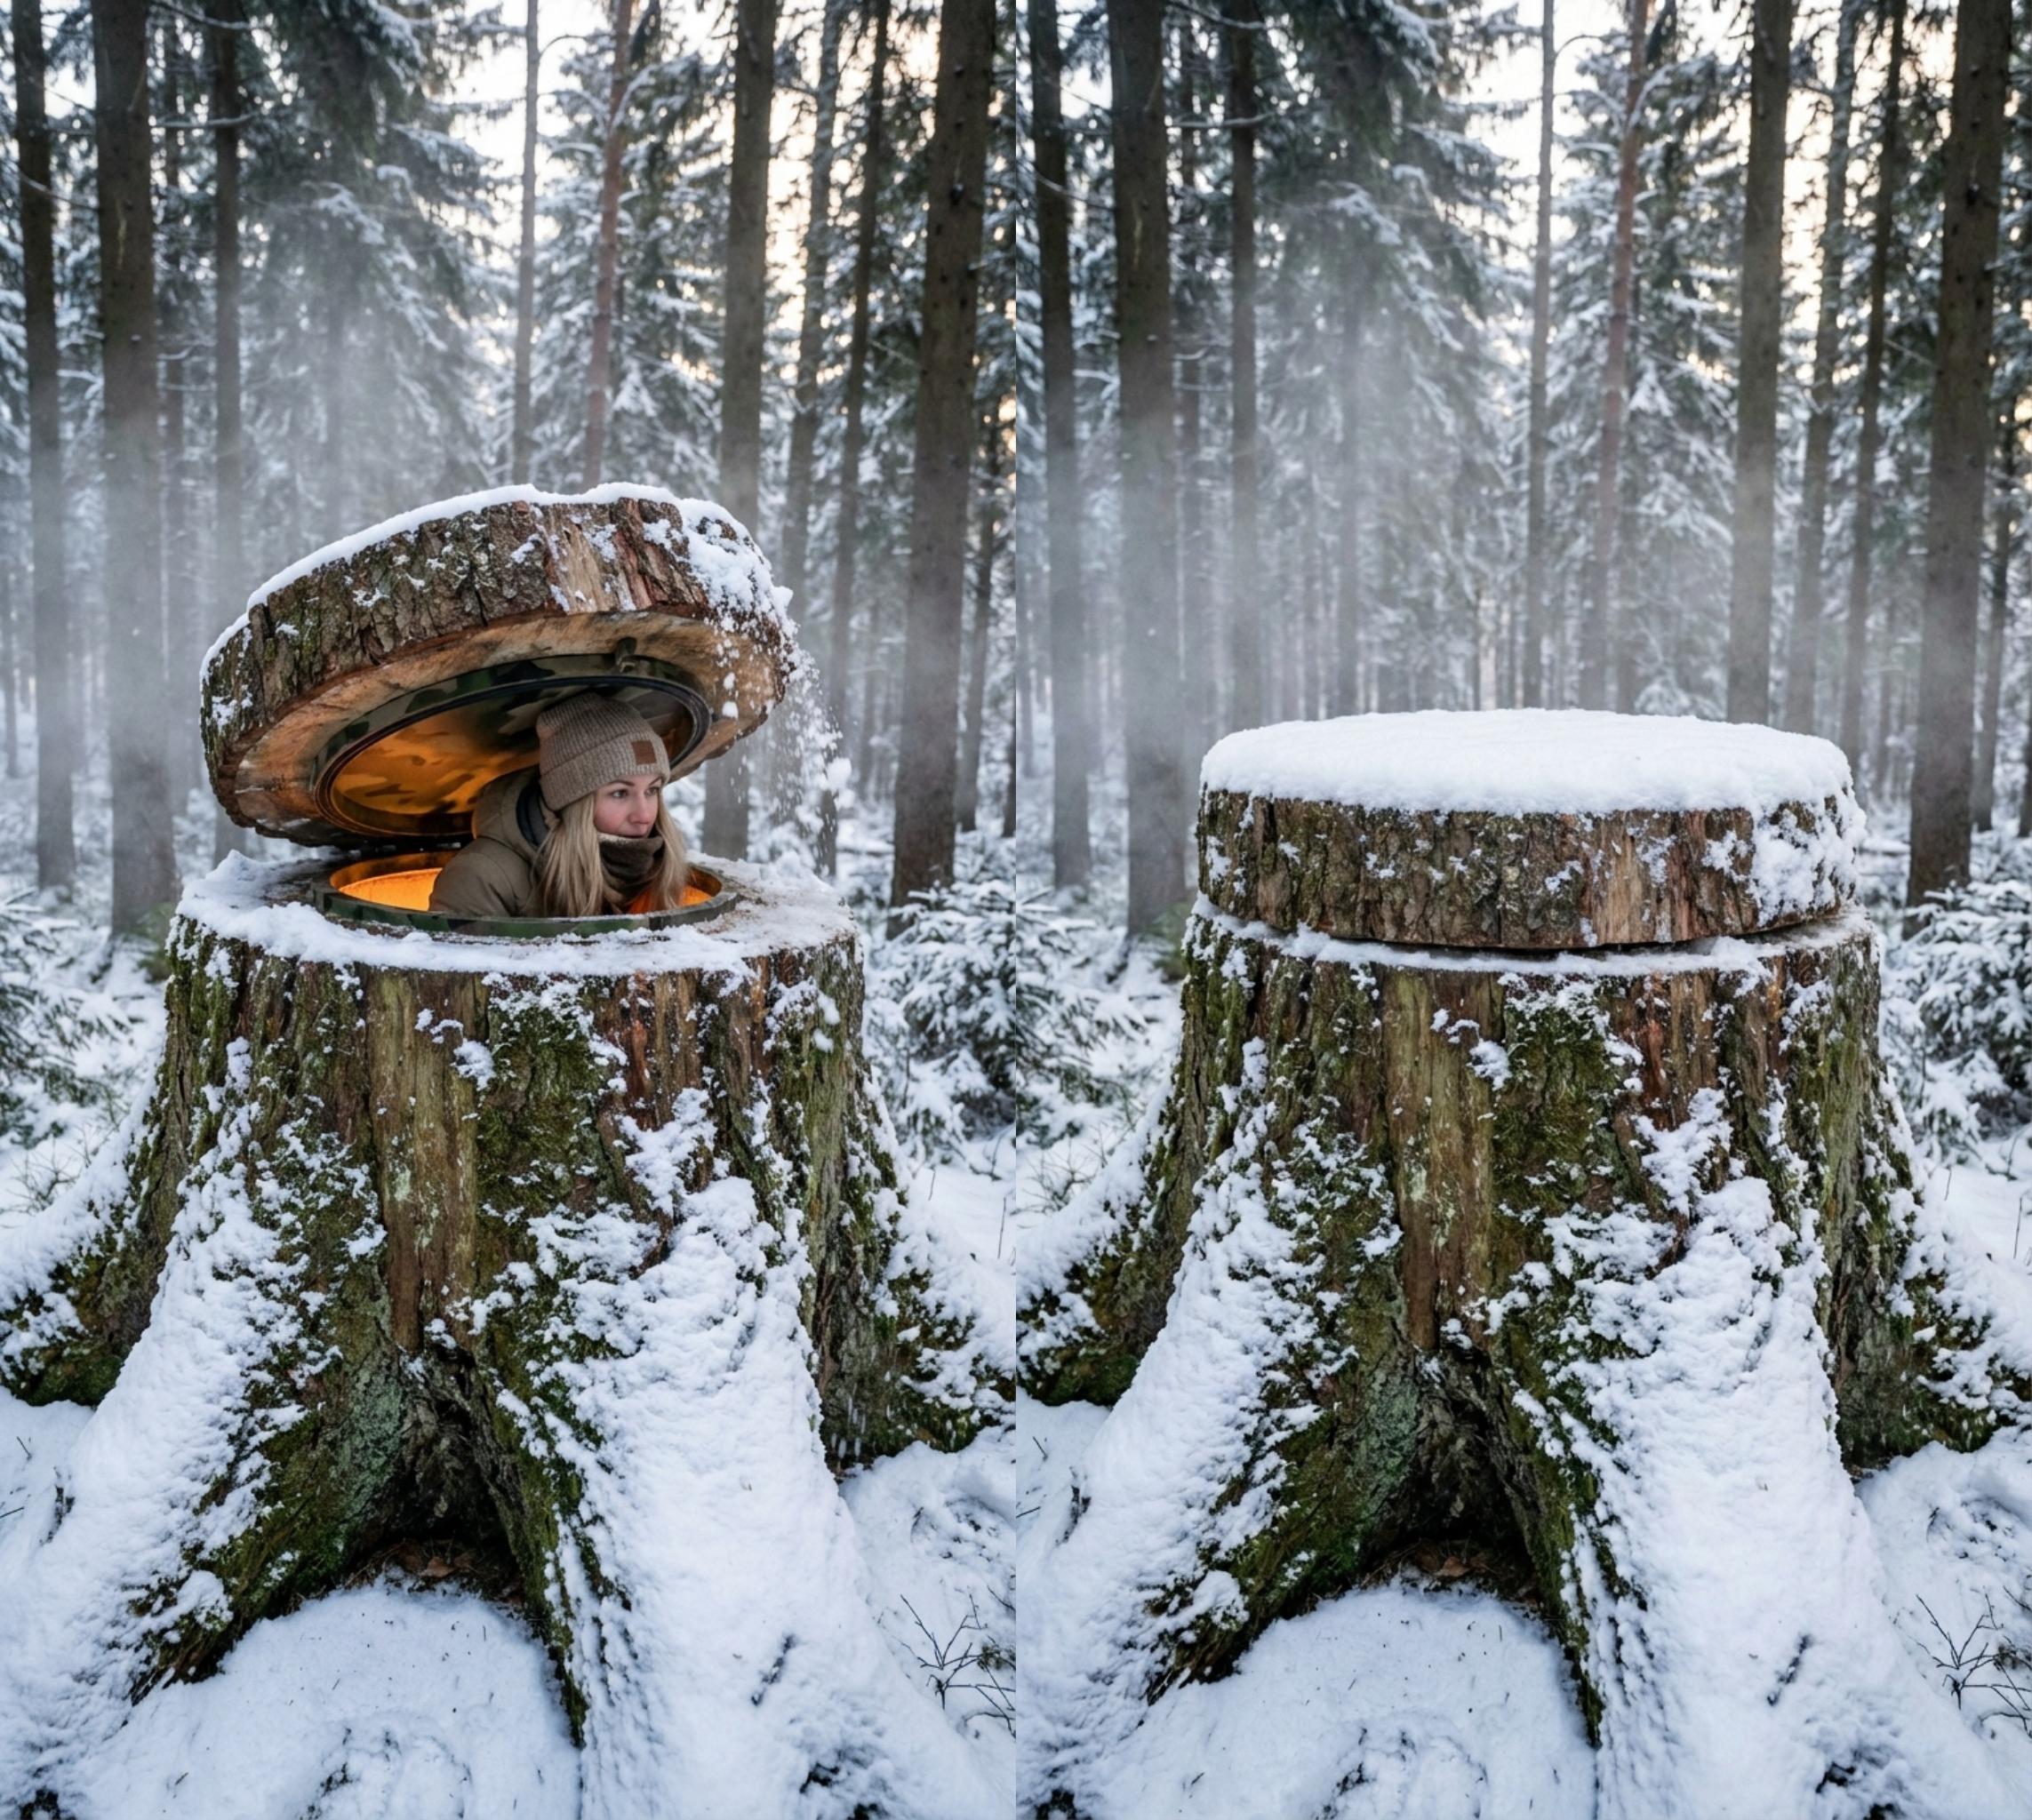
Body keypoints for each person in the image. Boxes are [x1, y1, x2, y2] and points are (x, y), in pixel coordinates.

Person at [428, 691, 691, 920]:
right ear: (573, 802)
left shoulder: (657, 868)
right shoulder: (481, 878)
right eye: (620, 793)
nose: (644, 815)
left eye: (652, 790)